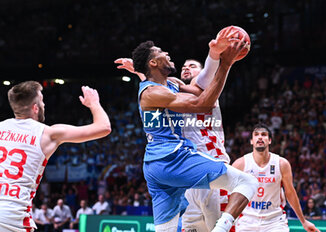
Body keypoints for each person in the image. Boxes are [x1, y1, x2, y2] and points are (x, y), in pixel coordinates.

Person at [127, 26, 258, 232]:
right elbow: (201, 103)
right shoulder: (153, 92)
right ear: (153, 63)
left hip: (159, 164)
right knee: (248, 183)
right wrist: (226, 63)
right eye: (162, 53)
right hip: (174, 158)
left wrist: (215, 56)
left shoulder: (170, 83)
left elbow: (201, 87)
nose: (168, 54)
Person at [0, 81, 111, 232]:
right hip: (12, 217)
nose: (44, 105)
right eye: (42, 101)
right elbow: (103, 127)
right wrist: (94, 104)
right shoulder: (48, 134)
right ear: (35, 107)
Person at [232, 123, 320, 232]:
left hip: (274, 221)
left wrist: (303, 221)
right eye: (256, 134)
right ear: (251, 141)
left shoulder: (282, 164)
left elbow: (290, 193)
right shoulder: (240, 164)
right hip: (247, 220)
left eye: (264, 134)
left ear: (269, 140)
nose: (260, 137)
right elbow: (230, 195)